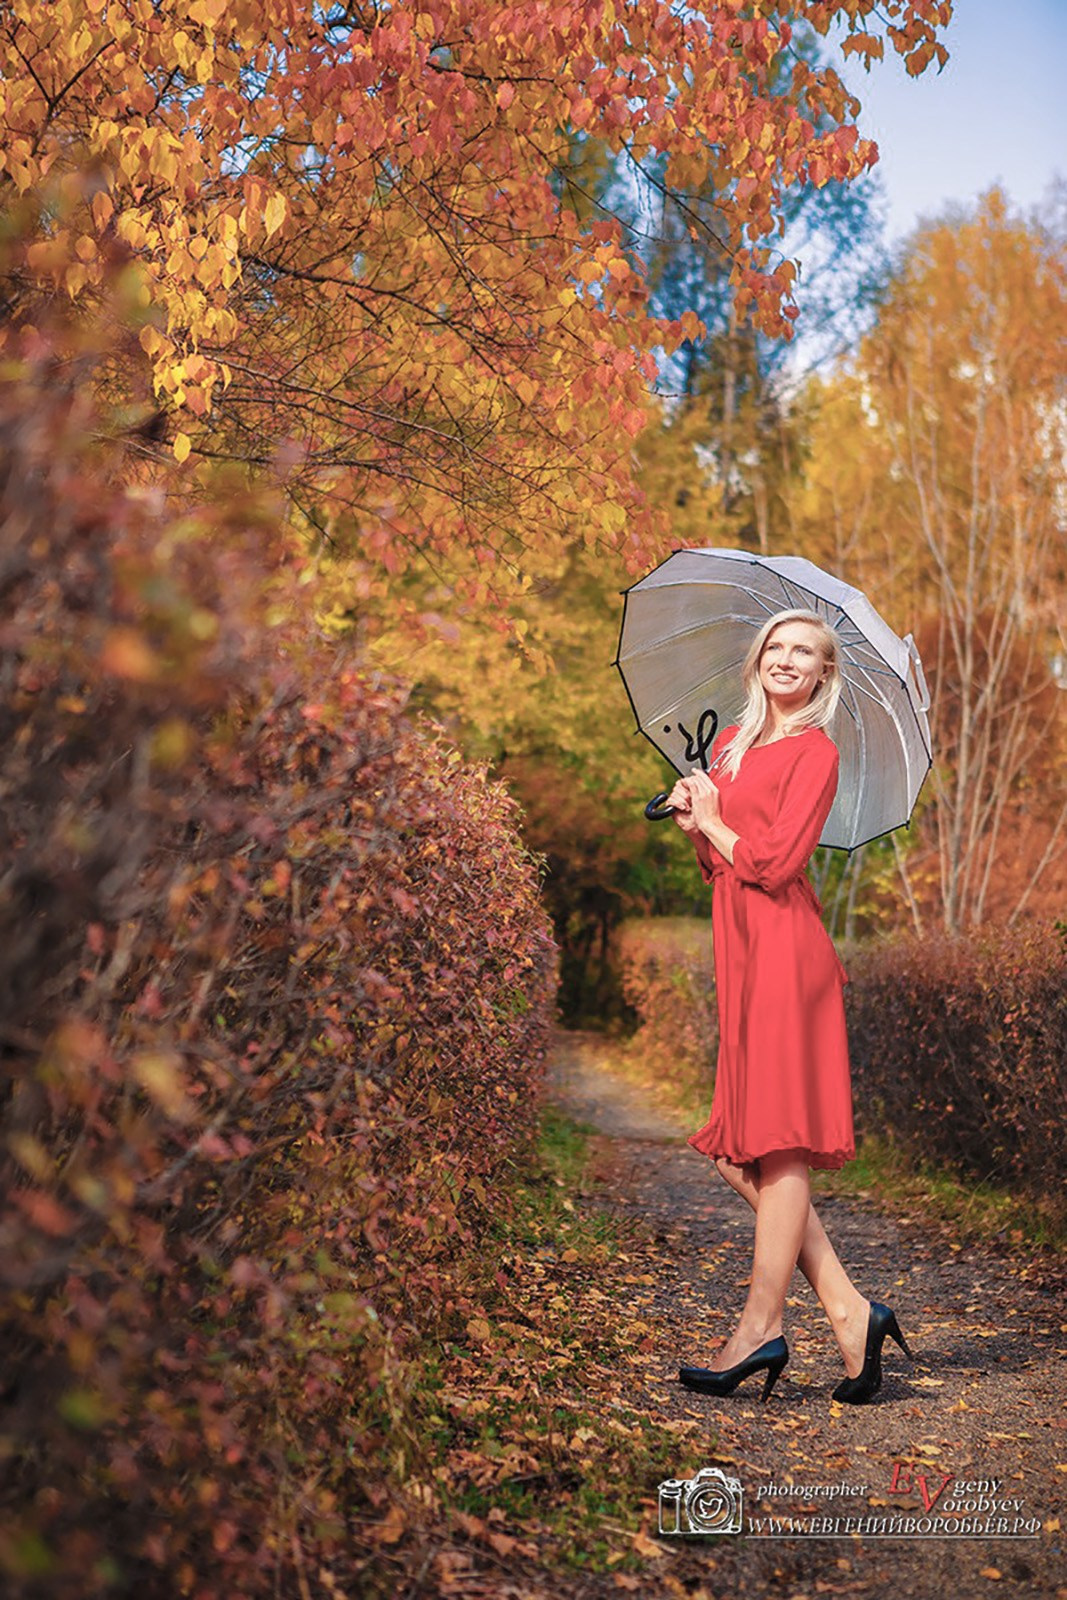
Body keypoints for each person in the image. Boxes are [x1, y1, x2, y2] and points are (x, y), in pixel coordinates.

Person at [667, 608, 914, 1405]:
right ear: (757, 661)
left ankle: (758, 1329)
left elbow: (775, 865)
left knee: (774, 1147)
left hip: (785, 954)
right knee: (739, 1150)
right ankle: (848, 1311)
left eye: (802, 652)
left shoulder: (815, 753)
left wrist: (716, 822)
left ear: (821, 675)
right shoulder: (735, 748)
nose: (785, 659)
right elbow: (722, 867)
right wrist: (694, 821)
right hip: (742, 953)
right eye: (775, 646)